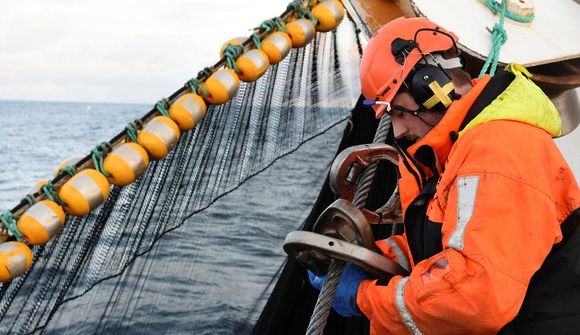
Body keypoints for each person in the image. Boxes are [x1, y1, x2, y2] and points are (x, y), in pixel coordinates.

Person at [309, 16, 580, 334]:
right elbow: (444, 246)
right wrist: (368, 257)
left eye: (398, 111)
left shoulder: (495, 152)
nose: (398, 130)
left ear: (431, 85)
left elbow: (473, 300)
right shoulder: (462, 149)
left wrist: (363, 297)